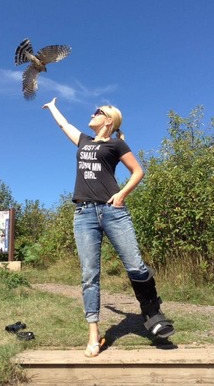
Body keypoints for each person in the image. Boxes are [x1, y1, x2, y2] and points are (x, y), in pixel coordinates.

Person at [42, 97, 175, 357]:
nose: (92, 114)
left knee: (135, 265)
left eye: (98, 112)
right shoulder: (84, 142)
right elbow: (64, 125)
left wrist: (122, 194)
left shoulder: (116, 143)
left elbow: (138, 171)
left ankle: (152, 312)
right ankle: (93, 334)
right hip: (84, 213)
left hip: (113, 211)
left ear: (109, 121)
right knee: (89, 275)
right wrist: (53, 107)